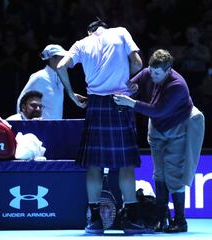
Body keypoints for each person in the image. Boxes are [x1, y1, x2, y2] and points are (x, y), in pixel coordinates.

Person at [56, 19, 148, 234]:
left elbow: (61, 66)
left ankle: (95, 220)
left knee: (94, 166)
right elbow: (137, 63)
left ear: (90, 31)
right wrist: (130, 83)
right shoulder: (121, 32)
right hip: (120, 102)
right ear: (104, 27)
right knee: (125, 165)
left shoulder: (81, 44)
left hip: (95, 105)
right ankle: (132, 219)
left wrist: (71, 95)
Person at [113, 49, 205, 233]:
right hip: (157, 129)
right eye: (151, 71)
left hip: (177, 129)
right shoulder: (149, 71)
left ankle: (180, 220)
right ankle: (161, 218)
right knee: (159, 174)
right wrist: (131, 87)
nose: (152, 75)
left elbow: (157, 110)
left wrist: (130, 103)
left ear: (168, 70)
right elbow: (134, 84)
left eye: (157, 73)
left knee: (174, 175)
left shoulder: (178, 85)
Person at [16, 44, 66, 119]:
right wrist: (24, 124)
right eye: (62, 58)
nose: (65, 61)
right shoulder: (39, 77)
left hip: (57, 127)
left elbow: (53, 96)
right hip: (41, 127)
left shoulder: (60, 79)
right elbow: (21, 102)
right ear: (52, 59)